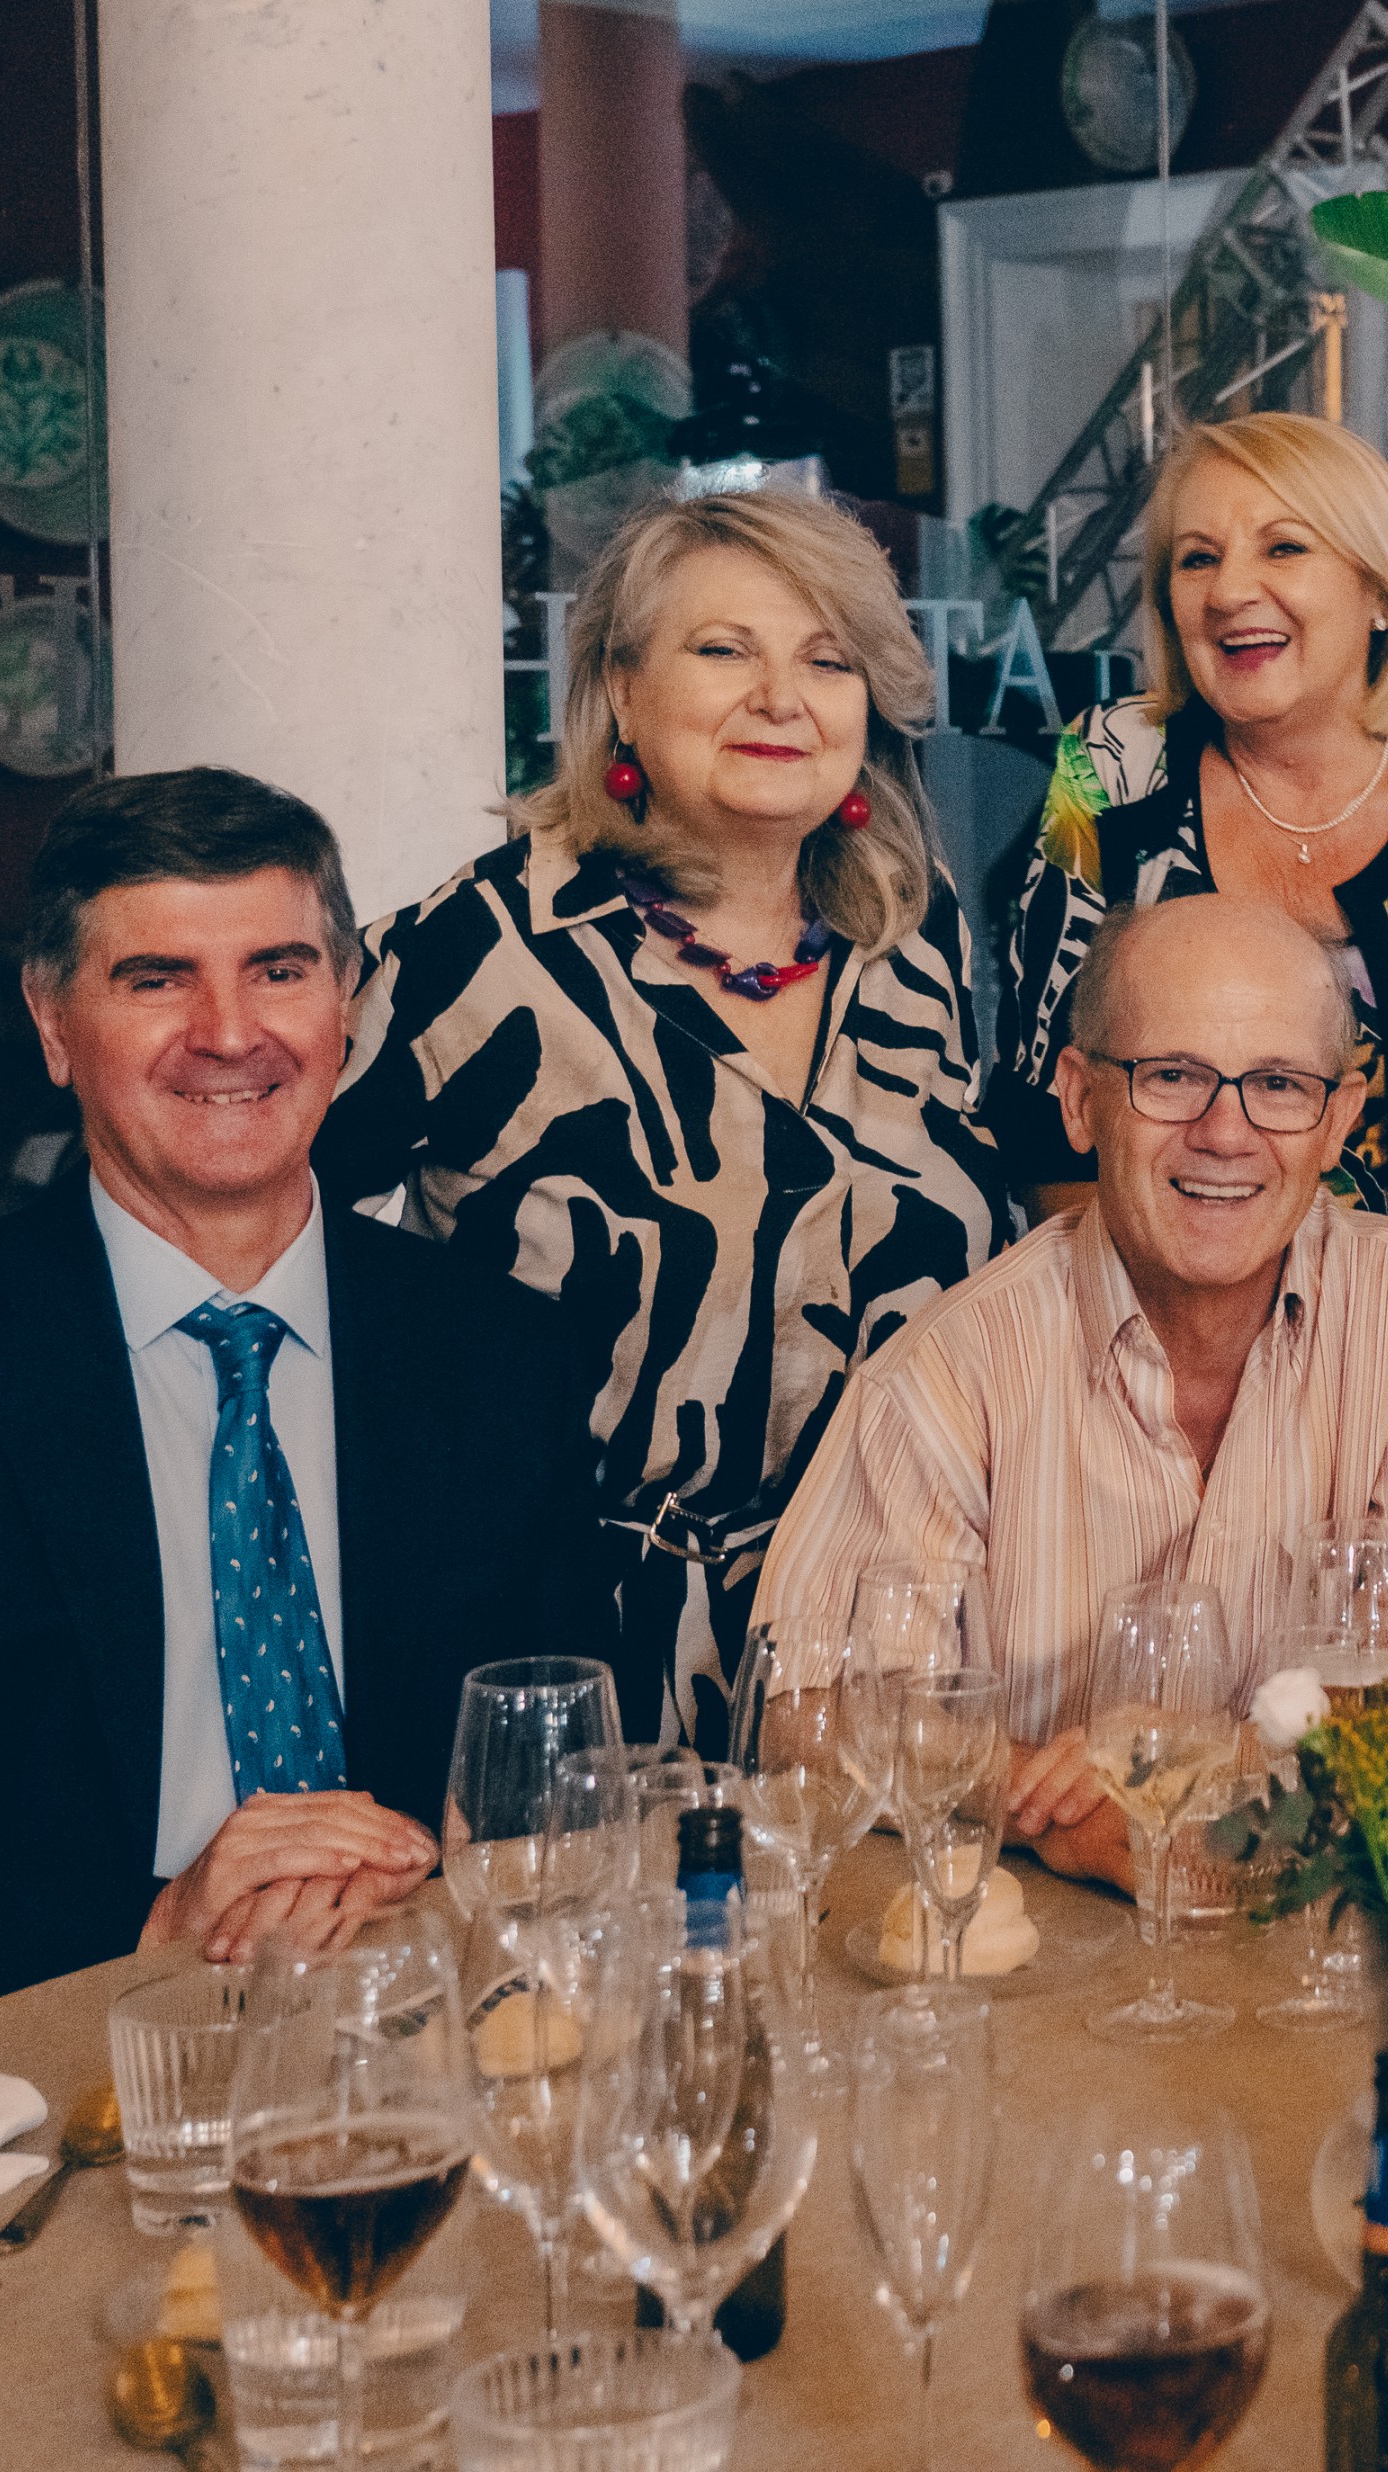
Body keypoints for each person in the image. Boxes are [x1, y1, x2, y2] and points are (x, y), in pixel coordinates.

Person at [0, 773, 611, 2125]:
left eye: (279, 971)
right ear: (54, 1024)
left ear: (344, 1007)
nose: (231, 1034)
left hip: (392, 2065)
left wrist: (458, 1865)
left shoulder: (500, 1356)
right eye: (157, 981)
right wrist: (151, 1920)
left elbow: (562, 1764)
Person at [319, 488, 1008, 1741]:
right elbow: (254, 1210)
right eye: (723, 650)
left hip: (890, 1650)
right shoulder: (481, 948)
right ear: (622, 691)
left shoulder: (914, 940)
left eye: (827, 660)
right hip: (575, 1661)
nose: (782, 698)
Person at [756, 895, 1388, 1883]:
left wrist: (1190, 1766)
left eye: (1277, 1084)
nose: (1224, 1133)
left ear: (1338, 1122)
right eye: (1172, 1077)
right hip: (1044, 1950)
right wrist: (1033, 1799)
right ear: (1078, 1099)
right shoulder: (946, 1371)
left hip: (1337, 1929)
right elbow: (802, 1714)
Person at [985, 412, 1388, 1290]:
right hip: (1152, 1324)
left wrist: (1385, 1340)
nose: (1229, 590)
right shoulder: (1114, 767)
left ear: (1380, 593)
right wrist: (1172, 1331)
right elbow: (1048, 1108)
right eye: (1197, 559)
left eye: (1283, 548)